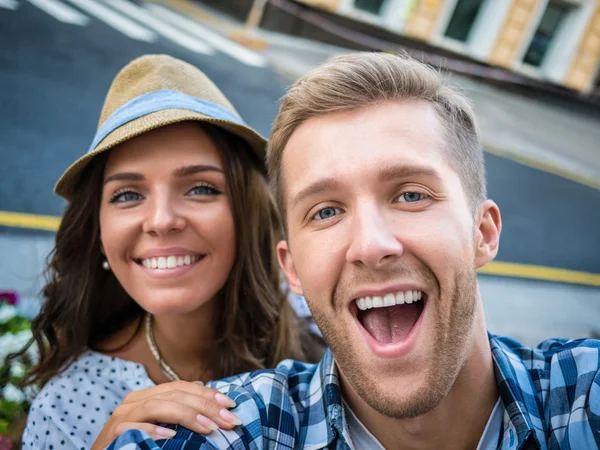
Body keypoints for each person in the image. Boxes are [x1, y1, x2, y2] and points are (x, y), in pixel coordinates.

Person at [108, 52, 600, 450]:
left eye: (410, 195)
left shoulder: (585, 396)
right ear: (292, 268)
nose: (371, 246)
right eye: (325, 211)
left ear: (483, 233)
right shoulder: (231, 432)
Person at [15, 54, 323, 450]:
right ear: (98, 232)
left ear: (249, 215)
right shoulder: (65, 411)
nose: (161, 221)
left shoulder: (322, 328)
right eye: (128, 194)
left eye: (200, 188)